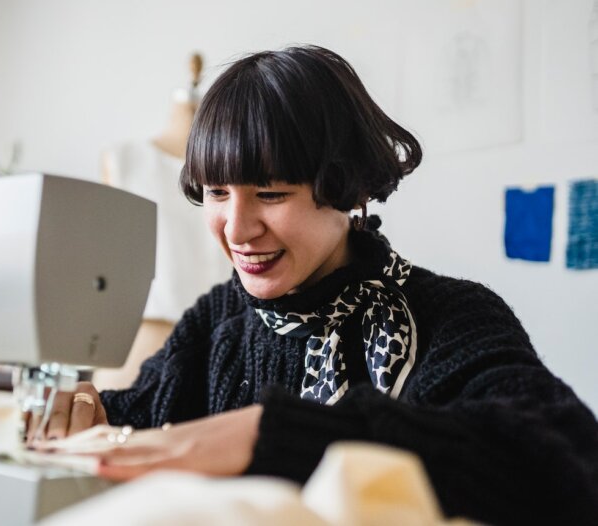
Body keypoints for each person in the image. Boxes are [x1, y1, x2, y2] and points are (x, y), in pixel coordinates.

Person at [33, 45, 598, 525]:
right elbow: (135, 417)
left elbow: (568, 460)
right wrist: (88, 410)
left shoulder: (450, 316)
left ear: (350, 189)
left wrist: (277, 433)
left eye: (271, 194)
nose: (236, 229)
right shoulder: (219, 317)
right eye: (216, 192)